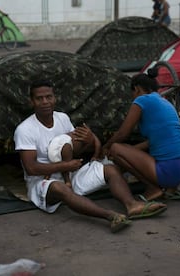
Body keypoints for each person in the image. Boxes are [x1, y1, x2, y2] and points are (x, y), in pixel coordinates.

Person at [14, 80, 167, 233]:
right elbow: (31, 168)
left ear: (55, 98)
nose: (45, 102)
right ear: (31, 101)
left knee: (110, 170)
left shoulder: (62, 118)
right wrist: (64, 166)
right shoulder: (25, 129)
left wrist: (87, 143)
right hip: (43, 181)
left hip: (69, 172)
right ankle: (110, 216)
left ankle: (132, 205)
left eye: (49, 97)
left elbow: (74, 151)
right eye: (39, 98)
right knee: (60, 188)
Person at [102, 68, 180, 201]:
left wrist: (106, 147)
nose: (132, 97)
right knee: (124, 151)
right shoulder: (164, 102)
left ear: (137, 89)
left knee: (116, 149)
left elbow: (123, 134)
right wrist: (130, 151)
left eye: (132, 93)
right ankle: (170, 189)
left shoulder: (142, 100)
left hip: (170, 169)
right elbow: (154, 140)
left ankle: (153, 187)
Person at [47, 123, 101, 188]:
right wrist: (95, 156)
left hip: (55, 143)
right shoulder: (91, 135)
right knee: (66, 164)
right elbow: (98, 145)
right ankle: (67, 181)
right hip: (64, 144)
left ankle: (47, 176)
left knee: (58, 163)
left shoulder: (76, 133)